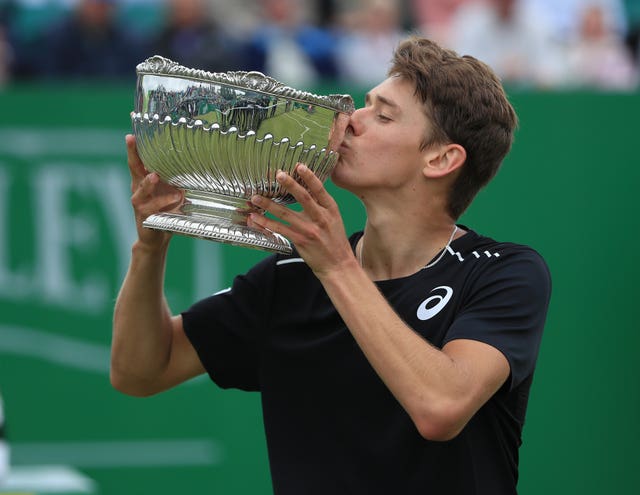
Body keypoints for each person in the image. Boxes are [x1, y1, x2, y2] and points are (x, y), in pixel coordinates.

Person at [111, 36, 552, 494]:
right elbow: (140, 370)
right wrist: (150, 246)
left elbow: (440, 407)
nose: (349, 121)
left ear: (440, 159)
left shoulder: (502, 273)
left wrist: (338, 267)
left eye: (382, 115)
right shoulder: (289, 279)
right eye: (364, 105)